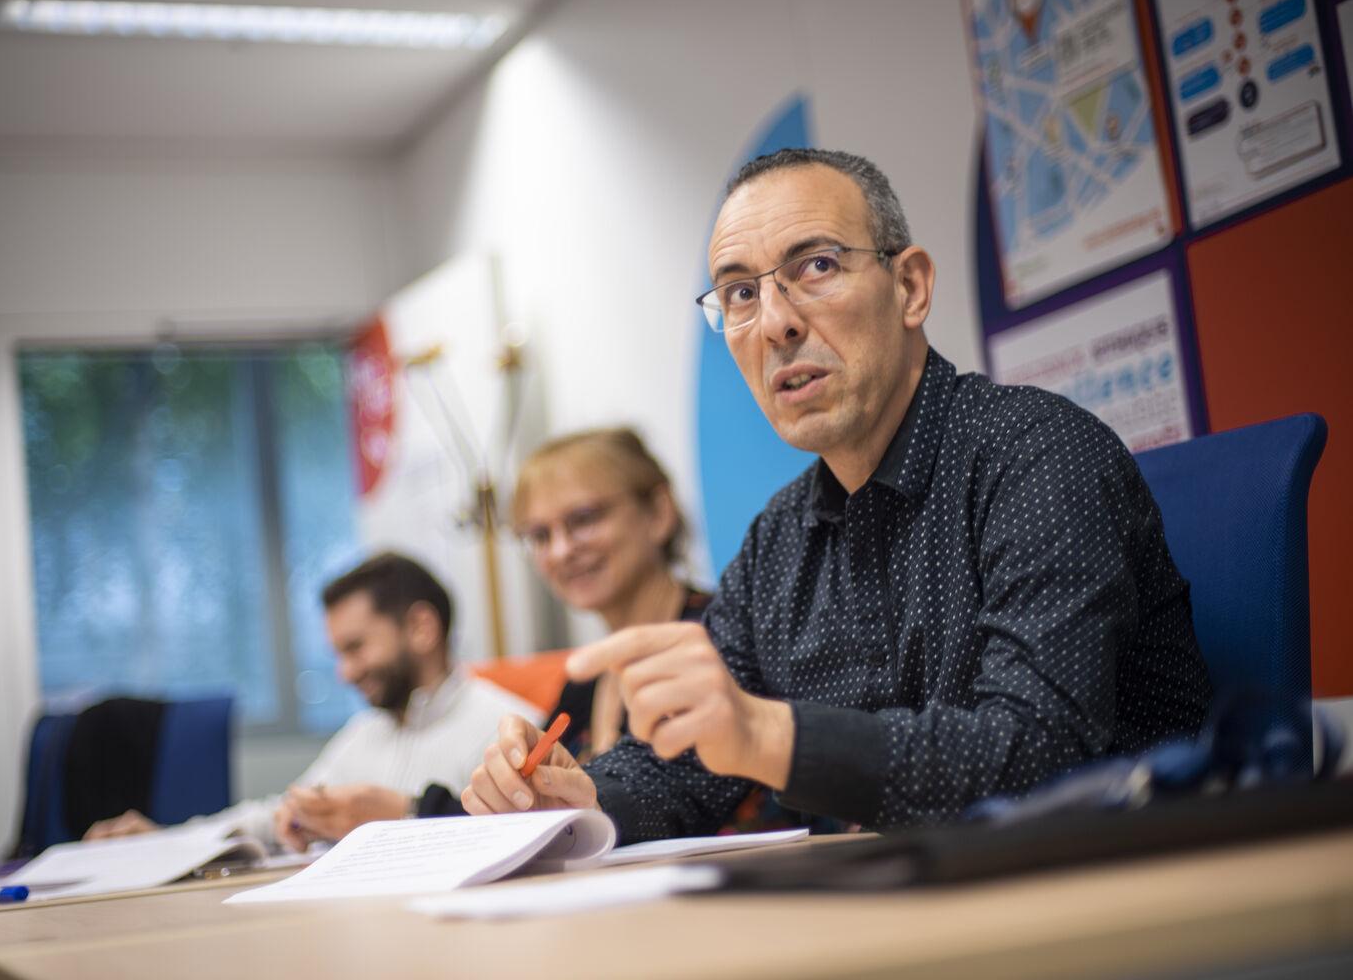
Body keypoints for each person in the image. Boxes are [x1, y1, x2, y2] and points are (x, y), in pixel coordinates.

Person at [461, 147, 1212, 841]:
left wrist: (764, 736)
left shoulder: (1037, 455)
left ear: (909, 287)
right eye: (741, 293)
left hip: (1111, 881)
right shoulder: (780, 538)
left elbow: (1035, 750)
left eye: (816, 266)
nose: (776, 324)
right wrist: (580, 794)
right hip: (896, 899)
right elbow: (687, 763)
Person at [85, 551, 541, 849]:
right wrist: (166, 841)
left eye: (355, 647)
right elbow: (281, 813)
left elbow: (523, 841)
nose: (346, 673)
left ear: (421, 628)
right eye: (338, 654)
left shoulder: (510, 726)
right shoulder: (366, 733)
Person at [412, 427, 714, 817]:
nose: (560, 551)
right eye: (540, 536)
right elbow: (535, 805)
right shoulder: (584, 682)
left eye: (583, 519)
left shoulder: (719, 636)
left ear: (658, 512)